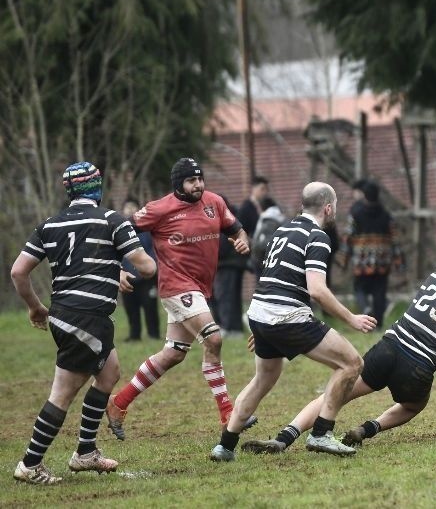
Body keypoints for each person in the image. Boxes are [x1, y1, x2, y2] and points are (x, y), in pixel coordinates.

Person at [232, 238, 436, 455]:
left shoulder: (432, 280)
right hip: (418, 368)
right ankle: (367, 429)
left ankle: (285, 437)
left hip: (388, 348)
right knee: (413, 405)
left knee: (336, 393)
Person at [209, 182, 378, 461]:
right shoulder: (318, 236)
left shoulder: (283, 229)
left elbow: (273, 278)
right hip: (286, 316)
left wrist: (265, 328)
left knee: (264, 378)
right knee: (352, 363)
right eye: (334, 206)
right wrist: (352, 318)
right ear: (328, 207)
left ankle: (225, 446)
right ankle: (322, 434)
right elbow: (317, 290)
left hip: (260, 312)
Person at [10, 162, 156, 484]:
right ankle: (30, 464)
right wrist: (132, 256)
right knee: (62, 392)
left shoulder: (50, 225)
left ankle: (86, 451)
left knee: (109, 371)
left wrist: (35, 307)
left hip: (64, 315)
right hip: (86, 318)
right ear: (97, 188)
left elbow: (18, 272)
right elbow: (146, 267)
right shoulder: (112, 220)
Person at [105, 158, 254, 440]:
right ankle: (228, 414)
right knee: (213, 339)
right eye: (191, 181)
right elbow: (119, 233)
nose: (198, 185)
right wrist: (118, 268)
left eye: (200, 179)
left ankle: (118, 403)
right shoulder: (159, 209)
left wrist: (242, 240)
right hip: (176, 286)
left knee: (173, 354)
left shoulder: (215, 202)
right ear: (178, 184)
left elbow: (237, 230)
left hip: (199, 289)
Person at [346, 181, 401, 329]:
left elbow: (348, 236)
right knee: (380, 291)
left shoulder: (356, 213)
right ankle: (378, 324)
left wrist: (345, 258)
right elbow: (394, 239)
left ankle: (365, 308)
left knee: (359, 288)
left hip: (362, 260)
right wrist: (398, 261)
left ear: (364, 195)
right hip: (382, 260)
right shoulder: (386, 215)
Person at [120, 197, 160, 341]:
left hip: (146, 277)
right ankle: (134, 335)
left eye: (133, 206)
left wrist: (149, 267)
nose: (130, 209)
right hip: (128, 276)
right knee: (131, 308)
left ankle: (154, 334)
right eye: (127, 207)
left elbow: (153, 250)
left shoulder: (146, 230)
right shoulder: (119, 231)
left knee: (150, 307)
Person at [210, 196, 249, 336]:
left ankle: (229, 327)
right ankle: (234, 327)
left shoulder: (223, 221)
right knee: (232, 297)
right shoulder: (232, 218)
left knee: (225, 297)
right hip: (233, 264)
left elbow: (222, 247)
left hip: (226, 265)